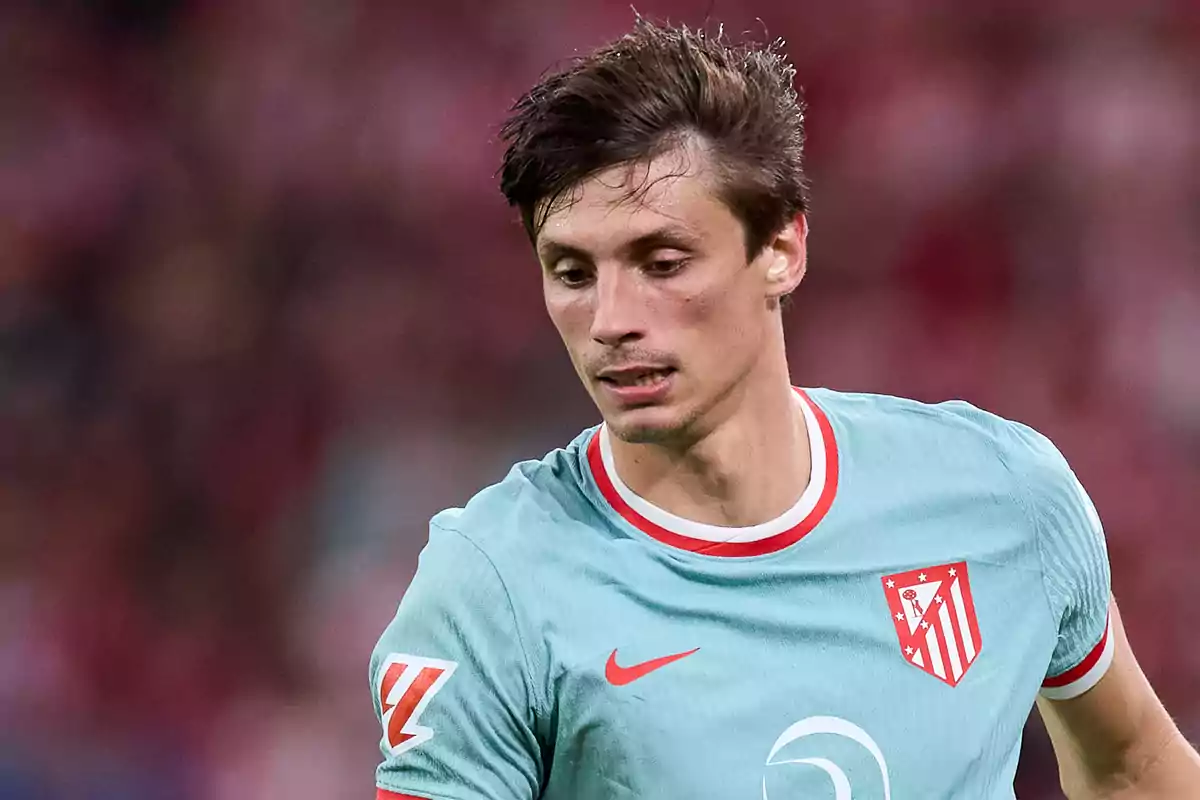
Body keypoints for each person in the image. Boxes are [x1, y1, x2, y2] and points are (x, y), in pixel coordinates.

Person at [369, 19, 1200, 800]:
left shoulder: (1003, 497)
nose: (612, 319)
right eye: (573, 272)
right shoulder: (494, 591)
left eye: (662, 261)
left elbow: (1133, 766)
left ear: (781, 249)